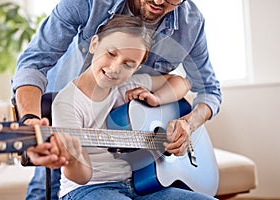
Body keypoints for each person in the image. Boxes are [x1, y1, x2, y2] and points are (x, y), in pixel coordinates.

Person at [11, 0, 222, 199]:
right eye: (111, 53)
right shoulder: (88, 4)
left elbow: (206, 89)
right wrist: (30, 120)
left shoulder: (191, 23)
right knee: (45, 185)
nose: (159, 1)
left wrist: (186, 122)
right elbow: (34, 63)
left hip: (136, 176)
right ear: (95, 43)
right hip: (61, 125)